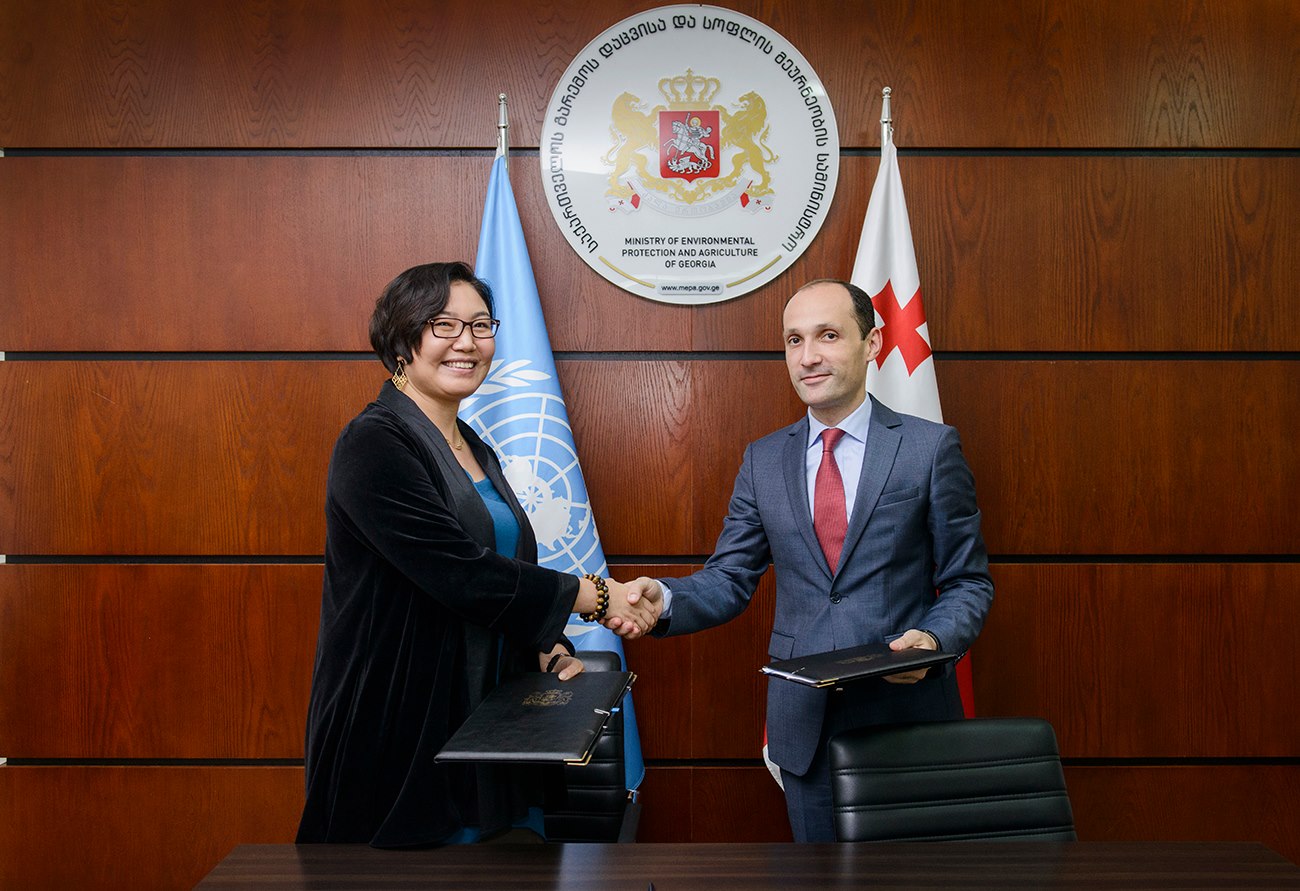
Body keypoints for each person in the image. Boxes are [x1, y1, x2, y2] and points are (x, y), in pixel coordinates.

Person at [613, 278, 994, 842]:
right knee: (817, 876)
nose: (808, 356)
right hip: (805, 727)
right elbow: (729, 578)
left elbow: (967, 582)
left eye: (828, 335)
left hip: (908, 712)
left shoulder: (929, 448)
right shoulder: (763, 460)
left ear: (872, 343)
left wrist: (934, 640)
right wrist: (663, 599)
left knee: (914, 880)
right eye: (794, 340)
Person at [296, 261, 655, 848]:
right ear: (401, 340)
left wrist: (544, 644)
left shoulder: (474, 447)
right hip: (406, 720)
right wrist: (596, 596)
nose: (467, 342)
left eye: (481, 325)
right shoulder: (374, 442)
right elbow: (459, 573)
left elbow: (505, 570)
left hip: (496, 720)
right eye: (443, 324)